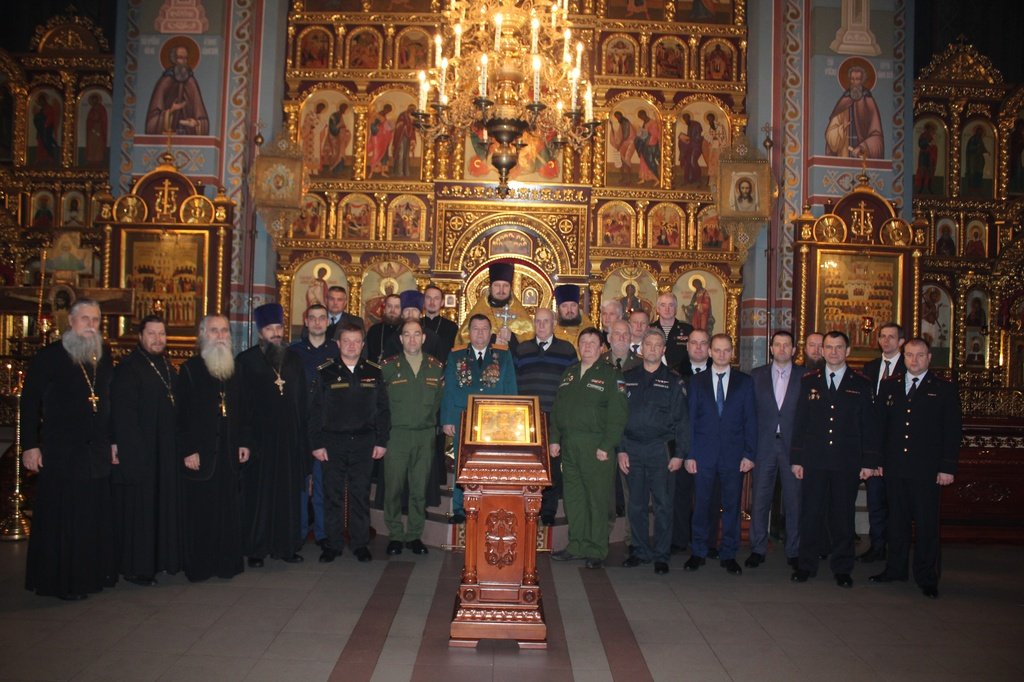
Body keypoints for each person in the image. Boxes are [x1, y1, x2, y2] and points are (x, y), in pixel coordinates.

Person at [21, 299, 117, 600]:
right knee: (65, 517)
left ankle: (91, 575)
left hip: (96, 451)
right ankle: (61, 581)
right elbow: (29, 402)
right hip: (63, 450)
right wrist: (30, 445)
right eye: (85, 318)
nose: (91, 325)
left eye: (96, 320)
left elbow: (109, 401)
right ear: (71, 322)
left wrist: (113, 442)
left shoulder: (103, 355)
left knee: (91, 517)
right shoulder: (50, 356)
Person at [870, 338, 962, 599]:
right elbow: (880, 426)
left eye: (920, 355)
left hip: (927, 470)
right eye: (909, 355)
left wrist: (947, 467)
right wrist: (877, 461)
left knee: (926, 524)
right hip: (895, 467)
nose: (914, 360)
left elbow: (952, 431)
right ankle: (895, 569)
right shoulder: (890, 385)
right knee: (896, 521)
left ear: (929, 358)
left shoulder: (943, 389)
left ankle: (927, 576)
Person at [790, 331, 878, 588]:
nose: (833, 352)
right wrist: (797, 458)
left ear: (847, 351)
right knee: (810, 514)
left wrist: (868, 462)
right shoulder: (809, 381)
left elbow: (868, 426)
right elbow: (800, 422)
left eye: (839, 347)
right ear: (822, 351)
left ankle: (842, 568)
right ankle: (806, 565)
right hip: (814, 459)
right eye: (829, 347)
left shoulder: (860, 383)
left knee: (842, 516)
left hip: (845, 460)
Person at [175, 314, 247, 582]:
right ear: (203, 335)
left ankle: (227, 564)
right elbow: (180, 415)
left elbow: (244, 411)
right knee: (201, 512)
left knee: (228, 511)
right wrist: (188, 449)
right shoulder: (190, 369)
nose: (220, 336)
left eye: (224, 331)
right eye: (214, 331)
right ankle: (201, 566)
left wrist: (244, 442)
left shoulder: (235, 369)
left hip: (228, 453)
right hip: (201, 453)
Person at [310, 323, 390, 563]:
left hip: (364, 442)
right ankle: (332, 544)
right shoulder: (326, 372)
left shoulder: (374, 371)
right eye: (347, 341)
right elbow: (315, 411)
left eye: (356, 341)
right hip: (332, 442)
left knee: (360, 494)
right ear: (338, 344)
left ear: (363, 344)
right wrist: (316, 443)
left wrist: (381, 441)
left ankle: (360, 543)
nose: (352, 346)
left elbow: (383, 410)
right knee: (332, 495)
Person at [549, 327, 629, 569]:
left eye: (592, 342)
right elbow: (558, 408)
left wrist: (607, 445)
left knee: (597, 499)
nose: (587, 346)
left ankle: (596, 548)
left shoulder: (611, 375)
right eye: (583, 342)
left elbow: (618, 414)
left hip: (596, 446)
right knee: (574, 498)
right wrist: (554, 438)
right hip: (570, 445)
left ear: (602, 347)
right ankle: (577, 544)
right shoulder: (570, 373)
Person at [235, 304, 308, 566]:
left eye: (278, 328)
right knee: (259, 496)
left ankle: (286, 547)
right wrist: (244, 440)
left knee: (287, 495)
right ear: (260, 332)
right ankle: (256, 549)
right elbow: (240, 405)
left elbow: (303, 402)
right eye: (269, 329)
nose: (276, 333)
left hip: (289, 440)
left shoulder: (294, 360)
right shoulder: (246, 361)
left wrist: (302, 440)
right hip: (259, 441)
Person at [111, 315, 180, 586]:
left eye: (161, 334)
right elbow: (123, 416)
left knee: (159, 509)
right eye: (151, 334)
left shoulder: (167, 366)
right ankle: (137, 567)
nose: (157, 339)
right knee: (139, 512)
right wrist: (133, 453)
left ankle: (158, 560)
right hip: (140, 453)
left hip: (164, 452)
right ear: (140, 337)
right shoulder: (128, 369)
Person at [683, 334, 757, 576]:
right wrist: (689, 454)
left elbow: (751, 420)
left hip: (734, 456)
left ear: (732, 352)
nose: (722, 354)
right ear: (710, 352)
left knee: (732, 506)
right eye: (717, 350)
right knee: (701, 505)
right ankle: (698, 551)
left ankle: (729, 554)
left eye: (726, 350)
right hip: (703, 454)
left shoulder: (745, 382)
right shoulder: (697, 382)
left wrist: (749, 454)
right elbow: (690, 421)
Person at [619, 329, 690, 575]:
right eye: (648, 344)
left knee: (663, 505)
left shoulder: (673, 381)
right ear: (641, 349)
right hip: (632, 448)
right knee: (636, 505)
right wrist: (621, 450)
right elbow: (619, 418)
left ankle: (661, 554)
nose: (652, 349)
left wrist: (679, 454)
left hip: (661, 450)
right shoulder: (627, 378)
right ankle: (639, 550)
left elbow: (682, 421)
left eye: (657, 345)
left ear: (663, 350)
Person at [441, 314, 518, 523]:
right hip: (463, 416)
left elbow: (510, 387)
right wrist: (447, 419)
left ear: (491, 332)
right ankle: (460, 509)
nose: (480, 333)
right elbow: (449, 388)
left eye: (484, 329)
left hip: (494, 420)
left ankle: (489, 504)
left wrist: (511, 421)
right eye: (476, 329)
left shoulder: (502, 355)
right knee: (463, 462)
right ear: (469, 332)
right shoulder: (457, 355)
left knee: (491, 462)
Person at [381, 318, 445, 556]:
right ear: (400, 339)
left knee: (419, 489)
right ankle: (395, 535)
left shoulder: (435, 367)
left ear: (423, 338)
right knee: (394, 488)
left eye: (416, 334)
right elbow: (381, 404)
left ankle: (415, 535)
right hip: (396, 436)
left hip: (424, 436)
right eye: (407, 334)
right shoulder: (388, 367)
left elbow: (437, 401)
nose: (412, 339)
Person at [745, 331, 806, 569]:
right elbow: (749, 413)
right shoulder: (756, 375)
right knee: (760, 499)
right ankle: (757, 548)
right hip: (764, 445)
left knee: (794, 500)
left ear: (794, 350)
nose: (782, 349)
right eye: (777, 345)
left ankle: (794, 550)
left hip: (793, 446)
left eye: (786, 345)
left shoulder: (805, 376)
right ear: (770, 349)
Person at [515, 308, 578, 526]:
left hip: (555, 415)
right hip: (527, 415)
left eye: (546, 321)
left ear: (554, 324)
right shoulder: (522, 349)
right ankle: (527, 507)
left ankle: (549, 510)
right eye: (538, 322)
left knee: (551, 463)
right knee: (528, 463)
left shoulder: (567, 350)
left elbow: (572, 384)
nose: (541, 326)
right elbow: (514, 381)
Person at [860, 322, 907, 564]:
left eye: (891, 337)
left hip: (899, 448)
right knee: (875, 501)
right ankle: (877, 546)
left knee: (897, 503)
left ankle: (896, 550)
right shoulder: (870, 368)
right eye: (883, 336)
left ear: (901, 342)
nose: (886, 341)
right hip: (874, 446)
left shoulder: (908, 367)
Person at [289, 304, 334, 550]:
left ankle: (322, 533)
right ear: (306, 321)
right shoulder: (293, 352)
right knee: (299, 483)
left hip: (325, 427)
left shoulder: (335, 351)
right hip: (298, 425)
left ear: (328, 322)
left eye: (321, 318)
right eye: (313, 318)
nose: (317, 322)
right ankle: (298, 531)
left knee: (322, 483)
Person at [671, 328, 714, 554]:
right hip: (680, 443)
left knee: (709, 496)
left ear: (709, 348)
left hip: (709, 444)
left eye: (703, 343)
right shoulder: (674, 373)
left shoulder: (719, 373)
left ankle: (707, 541)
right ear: (687, 346)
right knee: (680, 494)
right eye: (694, 343)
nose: (698, 347)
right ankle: (679, 539)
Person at [458, 261, 533, 351]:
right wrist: (493, 340)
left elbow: (529, 348)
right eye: (497, 285)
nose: (501, 290)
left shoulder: (521, 315)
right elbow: (464, 338)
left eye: (505, 286)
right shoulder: (479, 311)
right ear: (490, 287)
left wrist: (512, 338)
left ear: (510, 288)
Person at [145, 44, 210, 135]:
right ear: (174, 60)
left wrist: (196, 123)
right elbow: (152, 122)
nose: (183, 61)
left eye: (186, 58)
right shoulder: (165, 82)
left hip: (188, 136)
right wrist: (171, 111)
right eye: (180, 58)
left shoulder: (191, 82)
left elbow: (202, 118)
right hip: (167, 136)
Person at [825, 65, 884, 158]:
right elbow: (830, 133)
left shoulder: (869, 103)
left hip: (862, 158)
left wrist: (863, 147)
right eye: (852, 79)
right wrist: (841, 128)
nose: (854, 82)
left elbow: (877, 136)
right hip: (843, 156)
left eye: (857, 79)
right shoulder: (843, 103)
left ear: (862, 81)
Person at [651, 292, 693, 373]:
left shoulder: (687, 329)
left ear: (676, 309)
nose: (667, 309)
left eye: (671, 305)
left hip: (681, 375)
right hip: (655, 374)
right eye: (663, 305)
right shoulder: (650, 329)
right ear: (658, 309)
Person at [421, 284, 458, 363]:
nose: (432, 302)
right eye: (428, 298)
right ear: (423, 301)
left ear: (442, 302)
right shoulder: (416, 324)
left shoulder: (451, 327)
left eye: (436, 298)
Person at [365, 293, 403, 363]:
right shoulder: (374, 330)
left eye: (397, 307)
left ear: (402, 310)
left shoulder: (406, 330)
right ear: (384, 309)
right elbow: (367, 356)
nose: (392, 310)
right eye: (389, 306)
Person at [321, 102, 350, 175]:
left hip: (341, 138)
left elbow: (342, 126)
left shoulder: (340, 115)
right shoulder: (334, 116)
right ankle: (334, 170)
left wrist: (345, 130)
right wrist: (339, 126)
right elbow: (332, 128)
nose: (345, 110)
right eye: (345, 109)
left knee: (341, 153)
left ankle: (339, 171)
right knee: (336, 153)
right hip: (335, 138)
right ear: (342, 108)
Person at [634, 109, 661, 185]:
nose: (641, 118)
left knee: (650, 162)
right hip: (644, 144)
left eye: (641, 117)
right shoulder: (645, 122)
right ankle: (644, 177)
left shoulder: (653, 123)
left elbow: (655, 134)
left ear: (644, 114)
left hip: (650, 145)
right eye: (639, 117)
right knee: (643, 161)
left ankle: (657, 179)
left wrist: (647, 141)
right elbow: (644, 133)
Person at [390, 104, 417, 178]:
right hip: (401, 138)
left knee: (406, 155)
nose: (412, 110)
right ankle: (399, 172)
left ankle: (406, 172)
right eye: (411, 109)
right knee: (400, 154)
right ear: (408, 108)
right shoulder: (403, 115)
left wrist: (412, 139)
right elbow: (399, 125)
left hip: (407, 138)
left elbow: (413, 128)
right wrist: (407, 125)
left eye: (413, 109)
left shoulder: (412, 116)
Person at [914, 121, 938, 194]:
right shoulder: (923, 135)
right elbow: (921, 144)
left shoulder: (931, 136)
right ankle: (921, 188)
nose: (932, 130)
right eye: (931, 129)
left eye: (933, 129)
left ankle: (929, 187)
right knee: (923, 171)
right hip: (924, 155)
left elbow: (933, 145)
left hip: (930, 156)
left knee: (930, 171)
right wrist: (928, 143)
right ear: (928, 128)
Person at [84, 93, 108, 167]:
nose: (94, 101)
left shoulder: (101, 108)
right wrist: (91, 121)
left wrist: (97, 119)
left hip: (99, 128)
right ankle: (91, 159)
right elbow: (89, 119)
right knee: (91, 144)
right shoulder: (92, 109)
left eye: (95, 100)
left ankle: (98, 159)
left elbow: (103, 119)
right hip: (92, 129)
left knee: (98, 144)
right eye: (93, 100)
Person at [963, 125, 987, 192]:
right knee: (972, 172)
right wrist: (976, 147)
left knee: (979, 172)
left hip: (979, 158)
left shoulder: (980, 140)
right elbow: (970, 148)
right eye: (979, 131)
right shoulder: (973, 139)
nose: (980, 133)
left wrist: (986, 151)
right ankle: (971, 187)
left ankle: (978, 187)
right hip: (973, 158)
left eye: (981, 132)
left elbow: (982, 148)